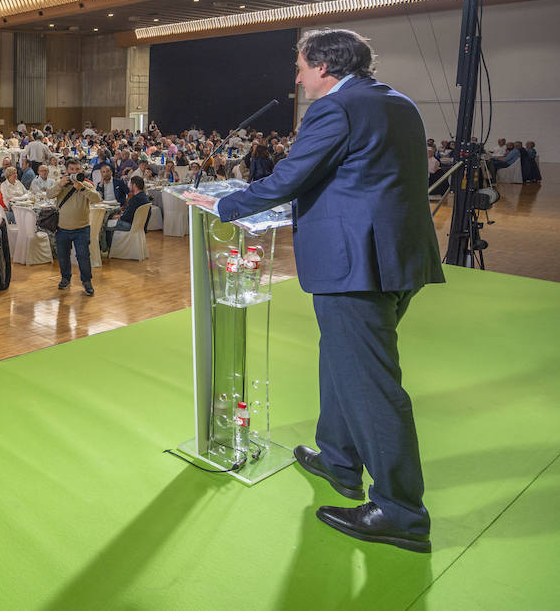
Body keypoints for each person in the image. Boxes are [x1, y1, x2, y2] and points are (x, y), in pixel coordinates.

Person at [185, 29, 441, 553]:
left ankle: (401, 511)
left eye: (300, 66)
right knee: (342, 361)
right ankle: (340, 460)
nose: (297, 77)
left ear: (324, 67)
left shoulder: (335, 108)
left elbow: (289, 177)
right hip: (398, 259)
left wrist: (223, 205)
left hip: (355, 267)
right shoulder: (398, 102)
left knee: (371, 385)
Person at [53, 160, 101, 296]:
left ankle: (87, 282)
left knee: (83, 257)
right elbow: (49, 194)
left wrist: (82, 188)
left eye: (77, 169)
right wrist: (60, 185)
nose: (75, 172)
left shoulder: (86, 184)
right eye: (72, 169)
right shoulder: (61, 183)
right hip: (62, 228)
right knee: (63, 257)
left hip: (82, 228)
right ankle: (65, 278)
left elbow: (97, 198)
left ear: (81, 171)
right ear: (67, 170)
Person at [104, 176, 150, 250]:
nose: (129, 186)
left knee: (105, 224)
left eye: (130, 184)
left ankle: (108, 248)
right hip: (140, 226)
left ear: (134, 185)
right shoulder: (145, 197)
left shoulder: (134, 199)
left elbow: (126, 217)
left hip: (130, 225)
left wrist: (118, 217)